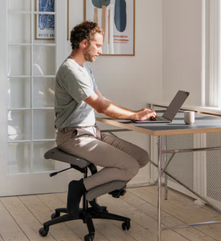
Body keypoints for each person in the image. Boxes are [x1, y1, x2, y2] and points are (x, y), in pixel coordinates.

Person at [54, 21, 156, 218]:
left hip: (91, 132)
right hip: (73, 136)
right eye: (98, 45)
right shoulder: (71, 71)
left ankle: (93, 193)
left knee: (141, 157)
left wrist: (136, 112)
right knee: (129, 166)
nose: (100, 51)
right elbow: (101, 107)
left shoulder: (85, 69)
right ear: (85, 43)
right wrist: (135, 116)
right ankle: (80, 188)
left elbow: (103, 101)